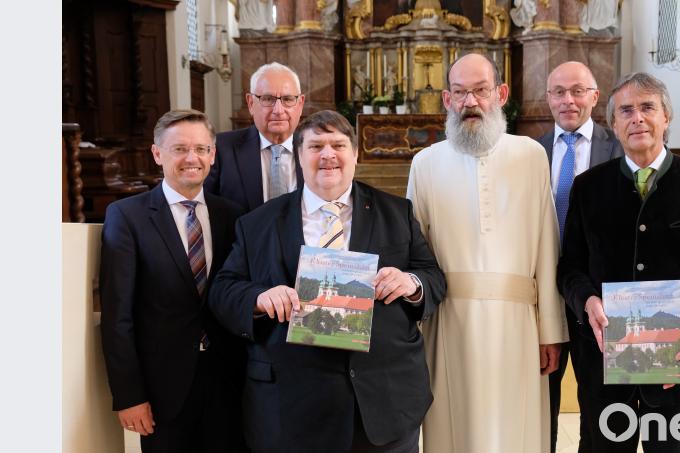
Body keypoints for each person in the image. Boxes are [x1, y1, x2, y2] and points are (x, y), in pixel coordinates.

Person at [209, 110, 446, 453]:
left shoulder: (396, 212)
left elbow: (433, 276)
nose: (328, 155)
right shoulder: (258, 222)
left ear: (355, 154)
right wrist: (259, 298)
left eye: (338, 144)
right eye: (316, 145)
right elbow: (223, 290)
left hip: (384, 403)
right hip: (291, 407)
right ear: (299, 155)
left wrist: (411, 282)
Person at [557, 72, 680, 452]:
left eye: (647, 107)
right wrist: (587, 300)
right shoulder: (589, 187)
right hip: (605, 373)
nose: (637, 117)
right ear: (613, 123)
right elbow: (570, 267)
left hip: (678, 370)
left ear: (666, 118)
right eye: (626, 110)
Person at [407, 52, 568, 453]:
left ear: (500, 93)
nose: (470, 102)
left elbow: (547, 244)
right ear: (446, 99)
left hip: (518, 324)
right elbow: (413, 253)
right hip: (449, 322)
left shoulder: (531, 154)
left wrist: (550, 329)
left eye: (480, 90)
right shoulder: (424, 163)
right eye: (460, 93)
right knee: (452, 425)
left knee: (516, 429)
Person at [100, 110, 246, 452]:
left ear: (212, 154)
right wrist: (129, 395)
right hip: (162, 388)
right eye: (179, 149)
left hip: (229, 381)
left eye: (200, 148)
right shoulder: (127, 216)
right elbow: (117, 316)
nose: (191, 158)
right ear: (157, 154)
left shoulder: (233, 215)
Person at [537, 60, 623, 453]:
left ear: (594, 95)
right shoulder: (528, 153)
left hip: (600, 305)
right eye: (558, 91)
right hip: (541, 302)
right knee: (539, 407)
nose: (568, 100)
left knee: (601, 413)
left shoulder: (620, 148)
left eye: (577, 91)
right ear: (548, 98)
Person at [205, 62, 305, 212]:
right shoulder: (221, 148)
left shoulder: (314, 148)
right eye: (268, 99)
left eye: (288, 99)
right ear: (251, 103)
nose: (278, 110)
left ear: (300, 104)